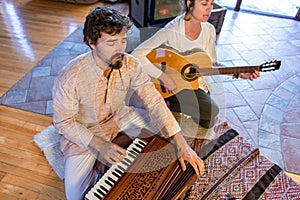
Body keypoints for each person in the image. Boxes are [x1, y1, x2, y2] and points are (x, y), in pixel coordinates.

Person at [52, 6, 204, 200]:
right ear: (91, 43)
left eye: (123, 41)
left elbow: (154, 102)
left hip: (118, 117)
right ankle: (107, 156)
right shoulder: (70, 77)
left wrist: (183, 147)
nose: (119, 49)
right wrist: (100, 145)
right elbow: (64, 122)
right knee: (76, 196)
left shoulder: (130, 64)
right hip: (87, 130)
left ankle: (118, 145)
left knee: (168, 127)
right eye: (111, 43)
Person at [131, 0, 260, 148]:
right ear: (189, 3)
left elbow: (211, 64)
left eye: (211, 3)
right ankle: (169, 111)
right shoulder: (171, 30)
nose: (209, 9)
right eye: (204, 4)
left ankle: (178, 120)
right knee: (210, 111)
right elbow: (137, 55)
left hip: (192, 81)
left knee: (208, 117)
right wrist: (162, 76)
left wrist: (237, 73)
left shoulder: (209, 30)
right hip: (168, 85)